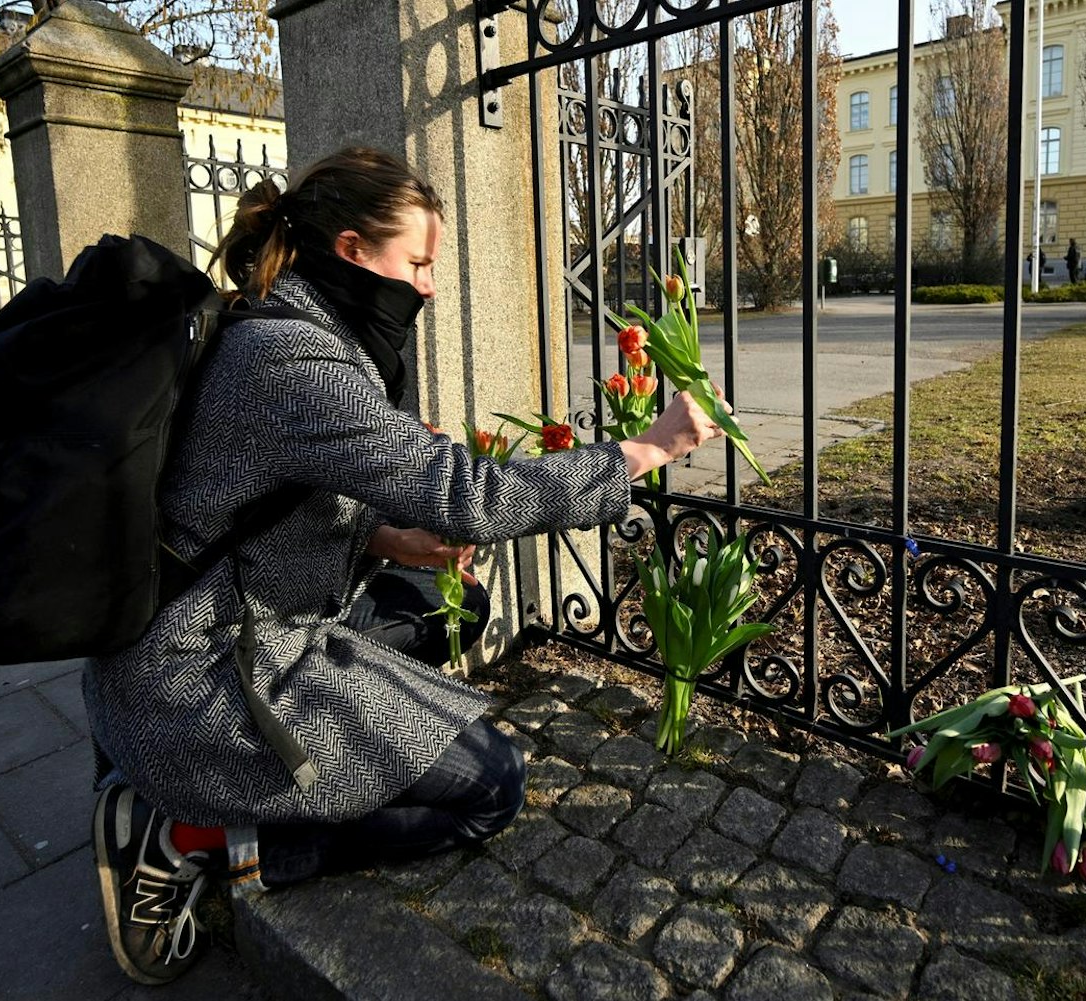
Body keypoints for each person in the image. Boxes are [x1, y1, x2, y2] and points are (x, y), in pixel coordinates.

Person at [86, 147, 723, 985]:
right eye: (417, 262)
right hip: (200, 675)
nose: (427, 285)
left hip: (215, 628)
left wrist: (389, 539)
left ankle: (282, 766)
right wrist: (644, 449)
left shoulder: (284, 326)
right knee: (493, 785)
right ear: (352, 250)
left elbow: (250, 509)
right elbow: (469, 496)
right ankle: (194, 835)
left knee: (436, 603)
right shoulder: (294, 361)